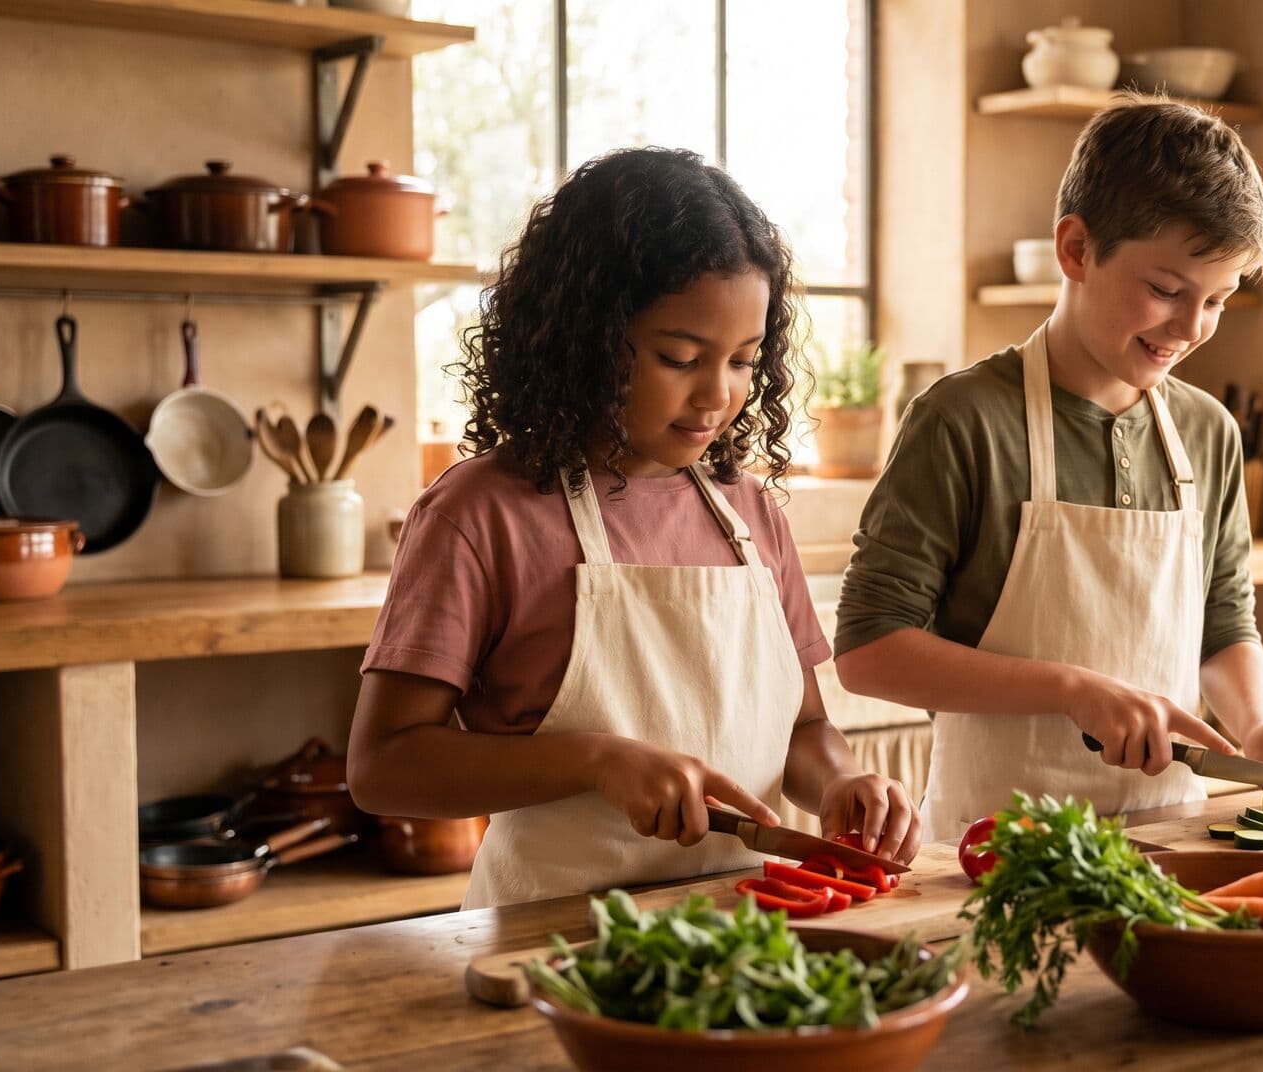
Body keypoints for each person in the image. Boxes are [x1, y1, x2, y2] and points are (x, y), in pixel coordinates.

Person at [347, 147, 921, 909]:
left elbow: (805, 727)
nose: (717, 396)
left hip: (743, 931)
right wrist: (594, 761)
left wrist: (843, 781)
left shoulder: (748, 512)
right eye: (679, 358)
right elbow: (382, 767)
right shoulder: (480, 514)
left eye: (743, 361)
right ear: (582, 338)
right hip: (550, 938)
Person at [833, 100, 1263, 841]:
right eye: (1167, 291)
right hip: (995, 847)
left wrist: (1262, 723)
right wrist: (1070, 689)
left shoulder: (1209, 432)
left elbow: (1222, 624)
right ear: (1076, 249)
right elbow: (868, 651)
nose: (1190, 328)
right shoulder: (963, 421)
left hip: (1173, 838)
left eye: (1217, 300)